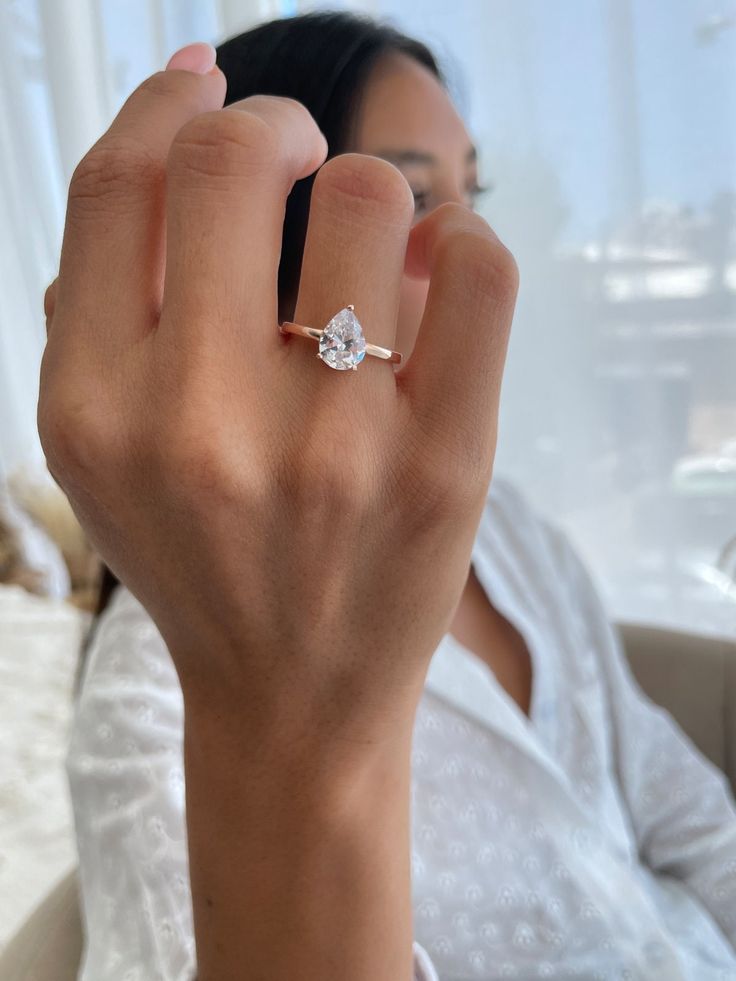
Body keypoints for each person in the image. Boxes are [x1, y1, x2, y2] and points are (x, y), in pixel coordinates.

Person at [40, 11, 736, 981]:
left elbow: (682, 808)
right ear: (247, 250)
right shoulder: (152, 696)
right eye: (410, 196)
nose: (475, 252)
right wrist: (291, 726)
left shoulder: (510, 531)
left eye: (473, 188)